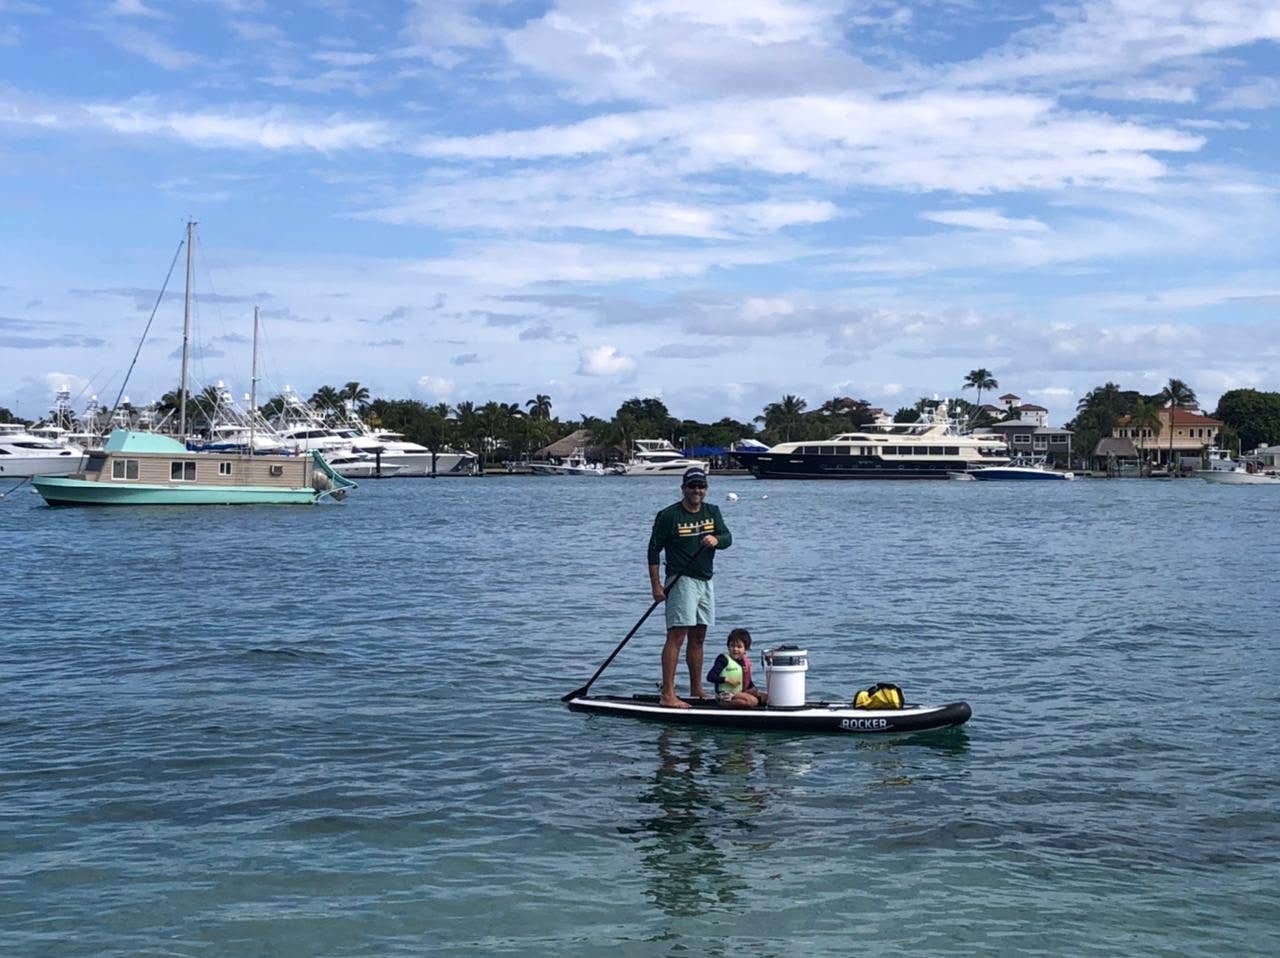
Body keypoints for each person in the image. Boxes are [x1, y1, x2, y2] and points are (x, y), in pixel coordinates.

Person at [647, 466, 732, 708]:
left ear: (706, 489)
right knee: (677, 636)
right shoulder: (669, 516)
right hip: (680, 581)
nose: (697, 490)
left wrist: (717, 540)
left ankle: (696, 689)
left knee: (699, 637)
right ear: (683, 488)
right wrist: (656, 586)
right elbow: (653, 551)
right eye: (692, 486)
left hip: (706, 580)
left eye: (701, 486)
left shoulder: (712, 511)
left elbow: (727, 538)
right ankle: (668, 694)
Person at [706, 628, 767, 707]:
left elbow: (747, 680)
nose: (735, 649)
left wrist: (753, 688)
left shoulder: (744, 662)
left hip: (738, 692)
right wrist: (726, 680)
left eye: (739, 647)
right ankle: (723, 703)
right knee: (753, 701)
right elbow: (710, 677)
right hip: (725, 694)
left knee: (767, 698)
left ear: (746, 649)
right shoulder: (723, 659)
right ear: (728, 646)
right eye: (732, 646)